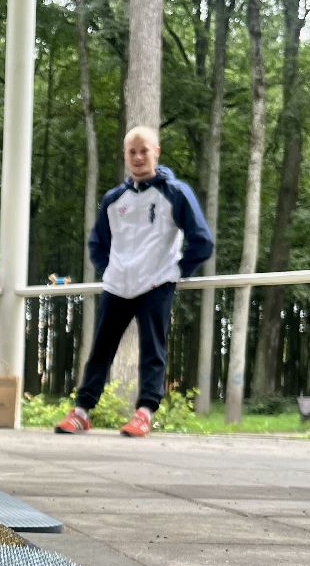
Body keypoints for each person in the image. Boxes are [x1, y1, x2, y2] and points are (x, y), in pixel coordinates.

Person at [56, 126, 213, 438]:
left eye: (145, 150)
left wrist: (177, 271)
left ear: (157, 152)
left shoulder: (175, 192)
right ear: (125, 156)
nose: (139, 157)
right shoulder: (114, 199)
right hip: (117, 285)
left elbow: (202, 241)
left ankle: (144, 412)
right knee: (101, 350)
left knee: (153, 349)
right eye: (132, 152)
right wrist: (110, 269)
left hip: (156, 284)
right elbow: (97, 244)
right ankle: (82, 412)